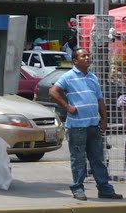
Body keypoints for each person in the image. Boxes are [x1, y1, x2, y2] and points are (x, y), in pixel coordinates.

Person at [50, 48, 122, 201]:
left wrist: (104, 119)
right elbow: (53, 92)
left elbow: (99, 100)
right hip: (77, 126)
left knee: (97, 158)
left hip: (93, 125)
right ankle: (78, 188)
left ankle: (105, 189)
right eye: (84, 56)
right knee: (78, 159)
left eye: (88, 55)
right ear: (75, 61)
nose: (88, 57)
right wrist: (68, 107)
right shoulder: (68, 76)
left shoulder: (92, 77)